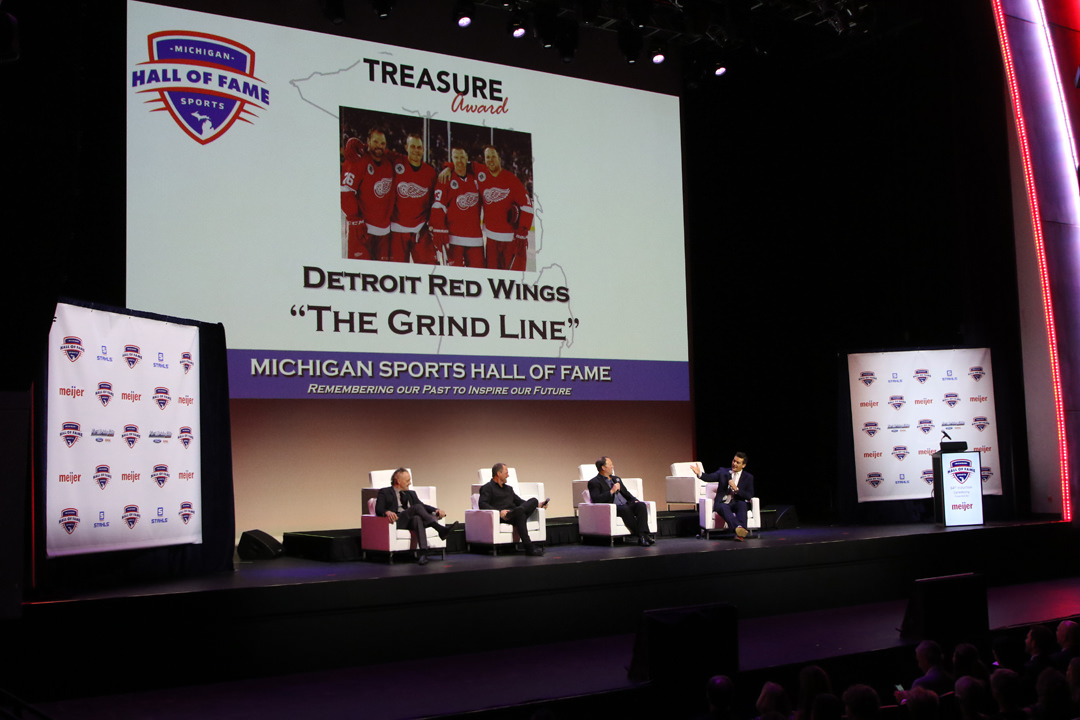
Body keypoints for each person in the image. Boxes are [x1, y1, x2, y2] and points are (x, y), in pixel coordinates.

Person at [374, 467, 459, 565]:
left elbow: (423, 506)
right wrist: (387, 512)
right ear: (398, 481)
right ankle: (440, 529)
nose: (410, 483)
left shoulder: (411, 493)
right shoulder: (385, 492)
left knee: (417, 518)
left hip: (410, 522)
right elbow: (378, 509)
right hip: (396, 521)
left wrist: (436, 510)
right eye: (407, 480)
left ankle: (423, 553)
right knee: (416, 507)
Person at [340, 127, 395, 261]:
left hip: (384, 231)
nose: (379, 146)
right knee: (358, 270)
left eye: (382, 143)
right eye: (375, 142)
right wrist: (355, 218)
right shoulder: (357, 160)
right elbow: (346, 191)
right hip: (361, 229)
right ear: (368, 141)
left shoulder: (389, 161)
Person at [388, 133, 439, 264]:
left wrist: (448, 167)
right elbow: (378, 152)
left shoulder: (430, 172)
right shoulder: (396, 163)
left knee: (430, 268)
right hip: (397, 229)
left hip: (420, 229)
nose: (416, 150)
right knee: (398, 271)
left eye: (419, 147)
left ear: (423, 149)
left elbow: (435, 199)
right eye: (413, 146)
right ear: (406, 147)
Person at [430, 145, 484, 267]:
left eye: (462, 157)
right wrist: (439, 228)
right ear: (452, 159)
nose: (459, 161)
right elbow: (438, 205)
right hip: (453, 239)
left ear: (467, 159)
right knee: (455, 275)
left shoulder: (476, 178)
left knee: (478, 274)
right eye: (456, 158)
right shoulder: (445, 178)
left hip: (475, 238)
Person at [478, 462, 548, 556]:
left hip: (514, 513)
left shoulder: (509, 489)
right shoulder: (487, 488)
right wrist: (499, 512)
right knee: (521, 514)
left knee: (533, 501)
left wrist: (538, 505)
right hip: (503, 516)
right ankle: (529, 547)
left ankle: (517, 512)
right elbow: (482, 504)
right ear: (498, 473)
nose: (508, 475)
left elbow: (520, 502)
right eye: (506, 473)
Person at [587, 456, 654, 546]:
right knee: (625, 509)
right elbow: (596, 499)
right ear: (603, 468)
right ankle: (643, 536)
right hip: (613, 507)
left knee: (641, 505)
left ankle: (643, 536)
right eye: (610, 465)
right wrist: (611, 491)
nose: (613, 467)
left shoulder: (616, 479)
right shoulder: (594, 482)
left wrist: (635, 500)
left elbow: (626, 493)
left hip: (626, 504)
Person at [692, 452, 754, 541]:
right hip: (723, 503)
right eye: (734, 461)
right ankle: (739, 529)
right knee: (723, 506)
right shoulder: (723, 472)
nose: (734, 464)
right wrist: (700, 474)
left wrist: (736, 489)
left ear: (743, 465)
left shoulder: (748, 477)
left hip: (737, 502)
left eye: (738, 462)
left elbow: (749, 495)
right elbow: (710, 477)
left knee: (742, 505)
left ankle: (739, 533)